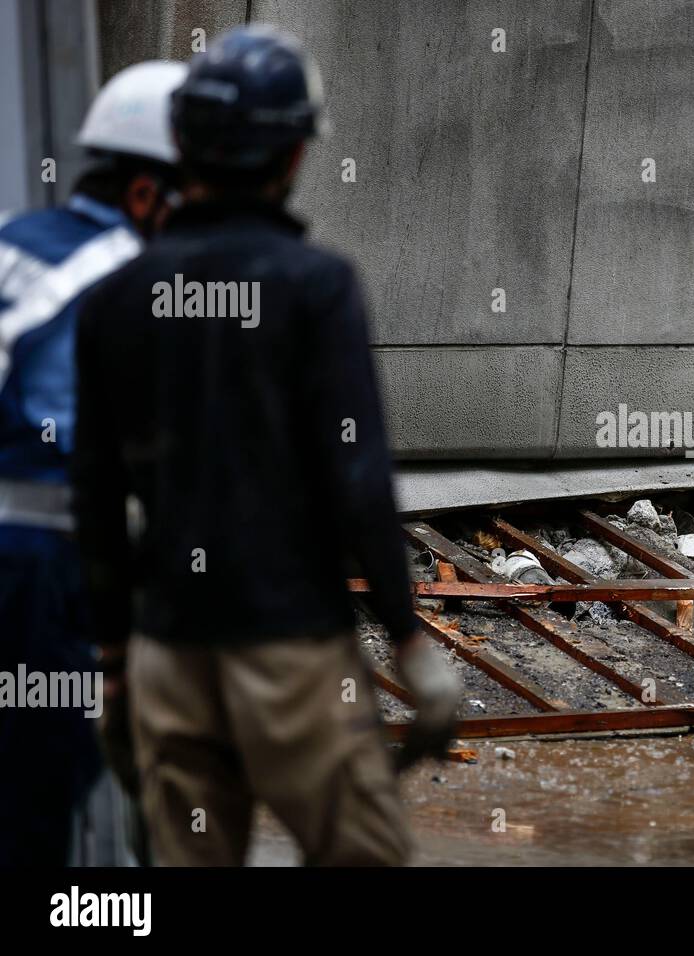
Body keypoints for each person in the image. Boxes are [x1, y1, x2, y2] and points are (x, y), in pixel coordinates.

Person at [70, 25, 460, 867]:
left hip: (169, 653)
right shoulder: (317, 288)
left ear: (181, 143)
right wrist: (410, 642)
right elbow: (356, 479)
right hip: (293, 655)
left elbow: (95, 498)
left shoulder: (114, 301)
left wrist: (113, 667)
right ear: (292, 155)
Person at [0, 60, 189, 866]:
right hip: (42, 571)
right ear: (148, 195)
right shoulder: (137, 280)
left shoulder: (13, 239)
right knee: (34, 810)